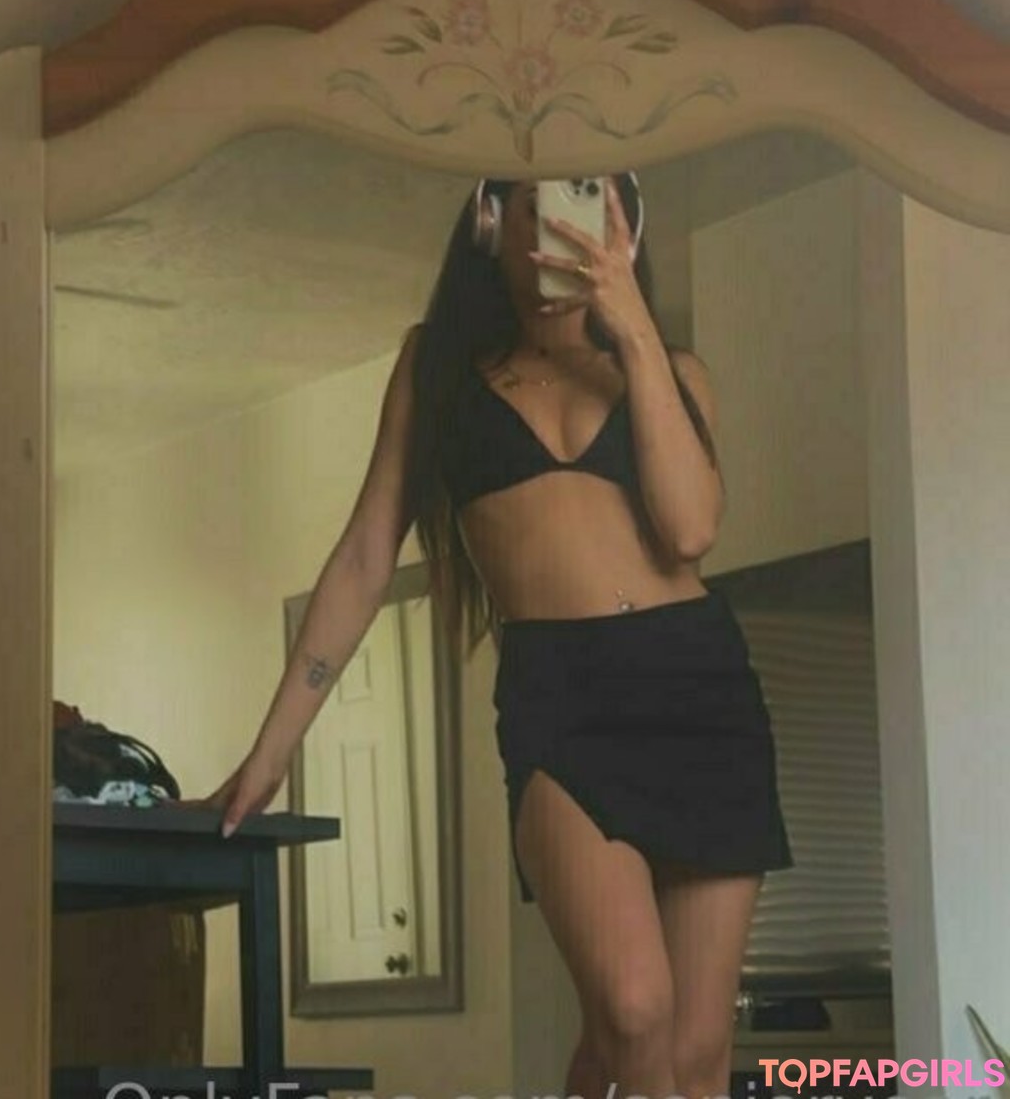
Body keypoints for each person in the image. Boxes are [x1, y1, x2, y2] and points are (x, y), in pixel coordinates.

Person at [195, 171, 793, 1099]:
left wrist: (633, 327)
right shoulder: (437, 369)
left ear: (626, 220)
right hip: (562, 701)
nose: (562, 224)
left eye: (587, 195)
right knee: (635, 1009)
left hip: (700, 692)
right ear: (490, 222)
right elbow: (364, 555)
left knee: (693, 1050)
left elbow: (689, 532)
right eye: (536, 203)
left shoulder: (674, 372)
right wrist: (273, 751)